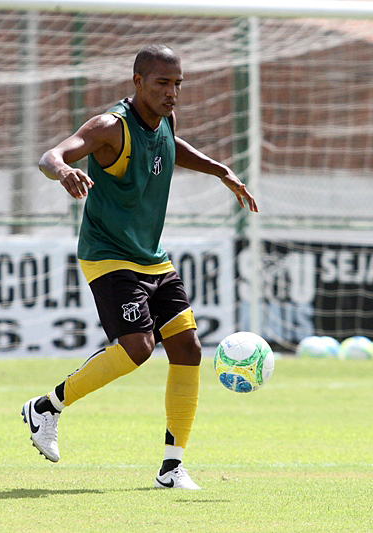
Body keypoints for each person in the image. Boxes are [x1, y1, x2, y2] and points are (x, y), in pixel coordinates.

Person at [22, 44, 258, 490]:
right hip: (108, 253)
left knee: (188, 348)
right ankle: (46, 407)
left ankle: (172, 468)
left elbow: (171, 148)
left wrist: (219, 169)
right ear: (138, 82)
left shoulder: (165, 119)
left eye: (177, 85)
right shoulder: (111, 127)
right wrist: (64, 171)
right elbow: (52, 155)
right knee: (138, 347)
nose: (172, 93)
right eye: (162, 83)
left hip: (151, 256)